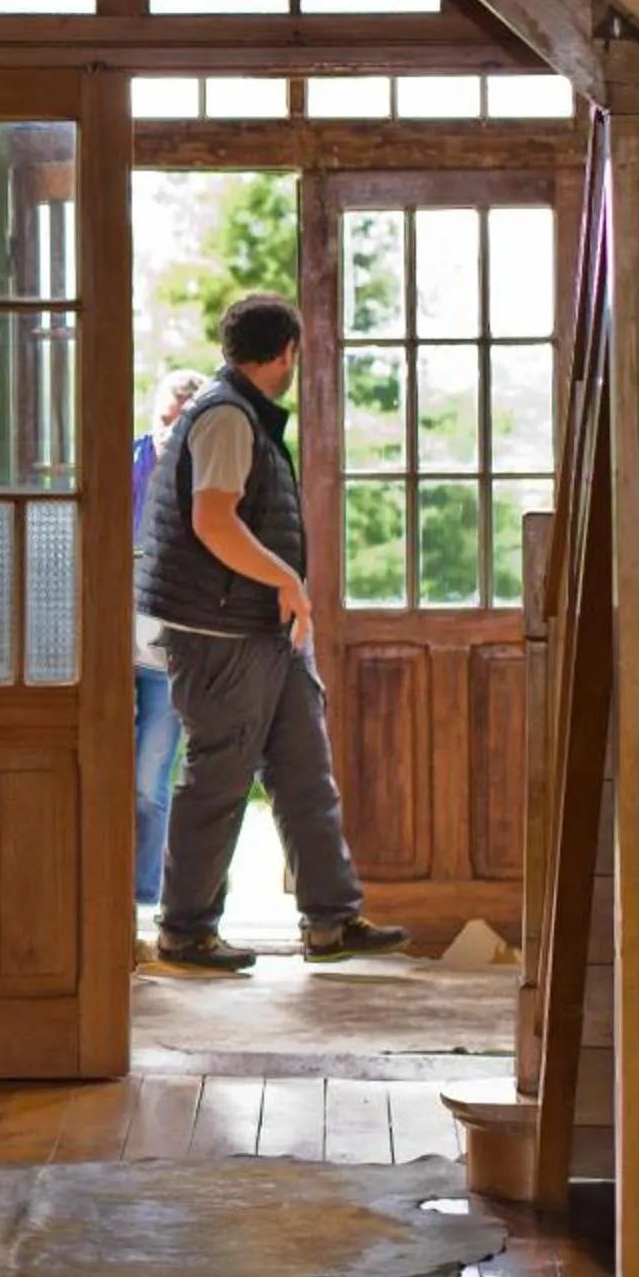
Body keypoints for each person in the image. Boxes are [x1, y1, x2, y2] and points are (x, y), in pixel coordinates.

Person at [135, 293, 409, 973]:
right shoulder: (227, 418)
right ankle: (186, 930)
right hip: (223, 632)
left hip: (260, 630)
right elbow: (214, 521)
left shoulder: (237, 412)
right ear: (285, 352)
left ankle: (331, 919)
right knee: (218, 778)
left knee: (302, 768)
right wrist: (287, 579)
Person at [130, 368, 209, 910]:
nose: (169, 434)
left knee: (148, 781)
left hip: (168, 652)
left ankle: (141, 901)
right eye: (165, 422)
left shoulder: (210, 483)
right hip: (105, 642)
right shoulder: (123, 462)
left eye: (182, 426)